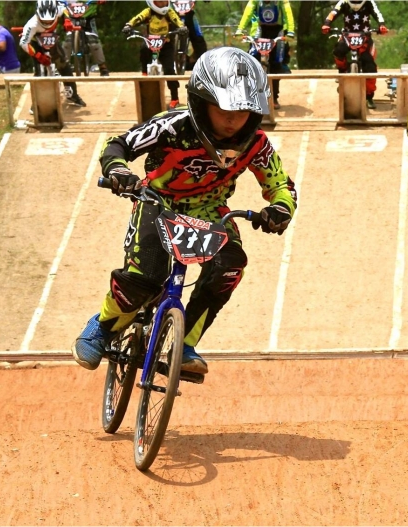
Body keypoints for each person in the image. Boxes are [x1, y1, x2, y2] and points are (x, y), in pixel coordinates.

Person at [72, 47, 297, 373]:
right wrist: (119, 170)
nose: (233, 120)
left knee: (230, 268)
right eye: (223, 108)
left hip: (211, 210)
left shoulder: (256, 143)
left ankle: (185, 344)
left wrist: (280, 208)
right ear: (201, 102)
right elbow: (120, 145)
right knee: (143, 279)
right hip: (158, 201)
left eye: (243, 110)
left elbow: (281, 186)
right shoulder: (173, 126)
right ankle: (102, 327)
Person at [321, 0, 387, 110]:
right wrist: (327, 24)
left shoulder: (369, 2)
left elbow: (377, 13)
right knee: (338, 51)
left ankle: (369, 96)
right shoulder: (343, 2)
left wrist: (382, 25)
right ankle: (342, 72)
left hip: (365, 36)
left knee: (370, 65)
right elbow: (333, 12)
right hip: (347, 35)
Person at [20, 0, 87, 106]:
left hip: (52, 40)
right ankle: (38, 103)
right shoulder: (31, 25)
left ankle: (72, 95)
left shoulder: (59, 9)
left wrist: (67, 20)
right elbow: (23, 43)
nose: (47, 23)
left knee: (64, 65)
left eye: (50, 20)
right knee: (40, 72)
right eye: (44, 21)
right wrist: (38, 56)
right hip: (36, 44)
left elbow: (66, 10)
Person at [123, 0, 186, 109]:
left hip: (166, 43)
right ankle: (144, 72)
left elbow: (177, 19)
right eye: (159, 2)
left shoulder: (169, 12)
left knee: (169, 70)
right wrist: (129, 25)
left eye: (164, 2)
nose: (162, 4)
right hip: (150, 41)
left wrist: (182, 27)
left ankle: (175, 98)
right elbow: (138, 18)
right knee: (143, 50)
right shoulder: (148, 12)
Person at [235, 0, 295, 110]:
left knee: (276, 63)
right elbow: (248, 12)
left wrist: (290, 31)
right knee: (252, 59)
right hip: (261, 30)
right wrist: (240, 29)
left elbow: (288, 13)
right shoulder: (255, 1)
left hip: (278, 31)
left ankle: (274, 97)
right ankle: (249, 94)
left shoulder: (282, 1)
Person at [62, 0, 110, 76]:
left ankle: (102, 67)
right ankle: (62, 67)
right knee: (68, 41)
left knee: (94, 42)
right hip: (71, 18)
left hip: (88, 18)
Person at [171, 0, 207, 70]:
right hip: (173, 14)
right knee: (168, 37)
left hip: (189, 15)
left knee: (198, 39)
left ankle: (199, 62)